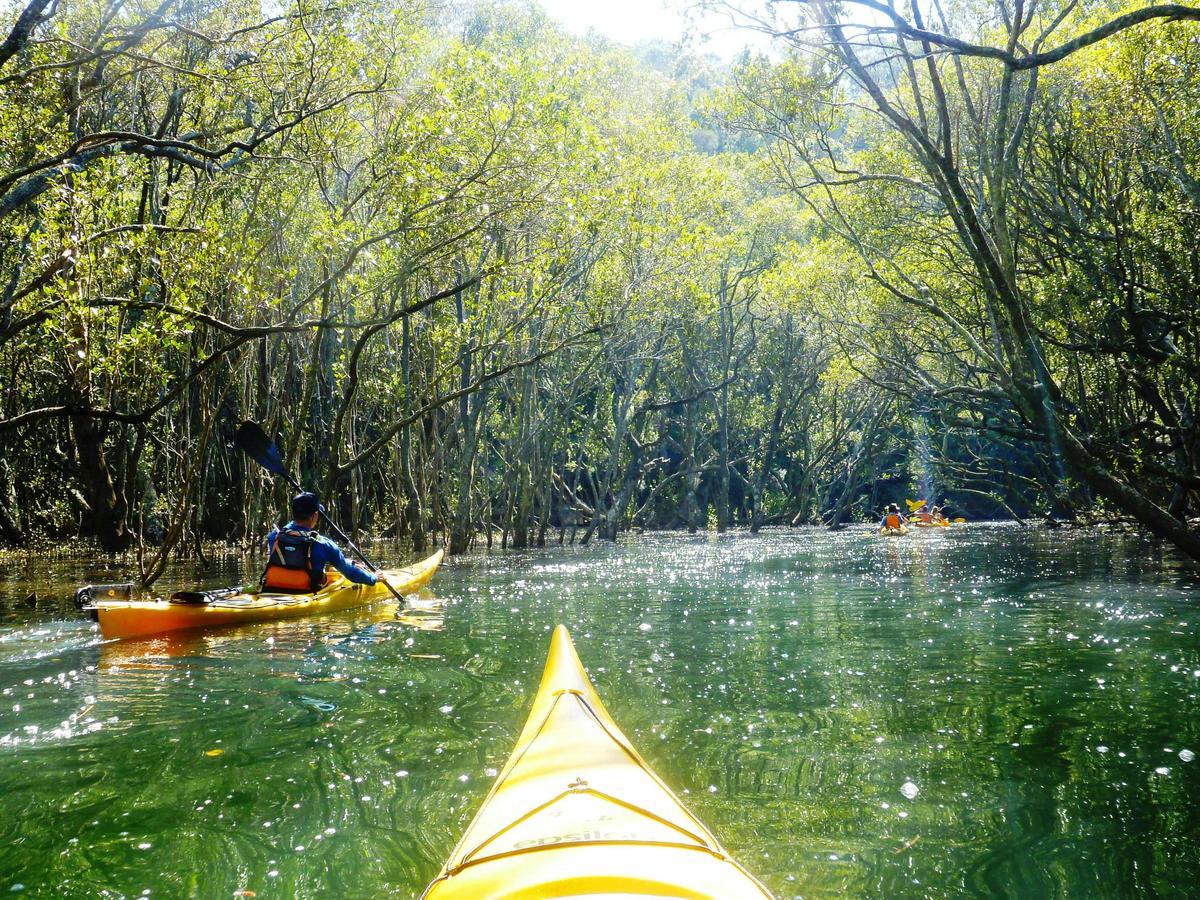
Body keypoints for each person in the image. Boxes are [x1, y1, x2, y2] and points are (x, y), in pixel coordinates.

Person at [262, 492, 377, 592]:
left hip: (272, 589)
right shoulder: (324, 544)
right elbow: (350, 573)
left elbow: (289, 529)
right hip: (306, 592)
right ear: (314, 516)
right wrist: (373, 577)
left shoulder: (275, 536)